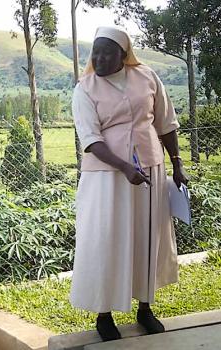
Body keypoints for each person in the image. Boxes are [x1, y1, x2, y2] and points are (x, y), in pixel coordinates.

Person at [70, 26, 189, 342]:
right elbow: (91, 140)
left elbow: (165, 122)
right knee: (107, 238)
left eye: (107, 52)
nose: (99, 58)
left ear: (124, 55)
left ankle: (145, 308)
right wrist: (124, 167)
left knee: (147, 237)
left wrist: (176, 163)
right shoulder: (85, 88)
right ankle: (104, 314)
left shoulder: (147, 77)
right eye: (95, 52)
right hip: (106, 177)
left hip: (150, 169)